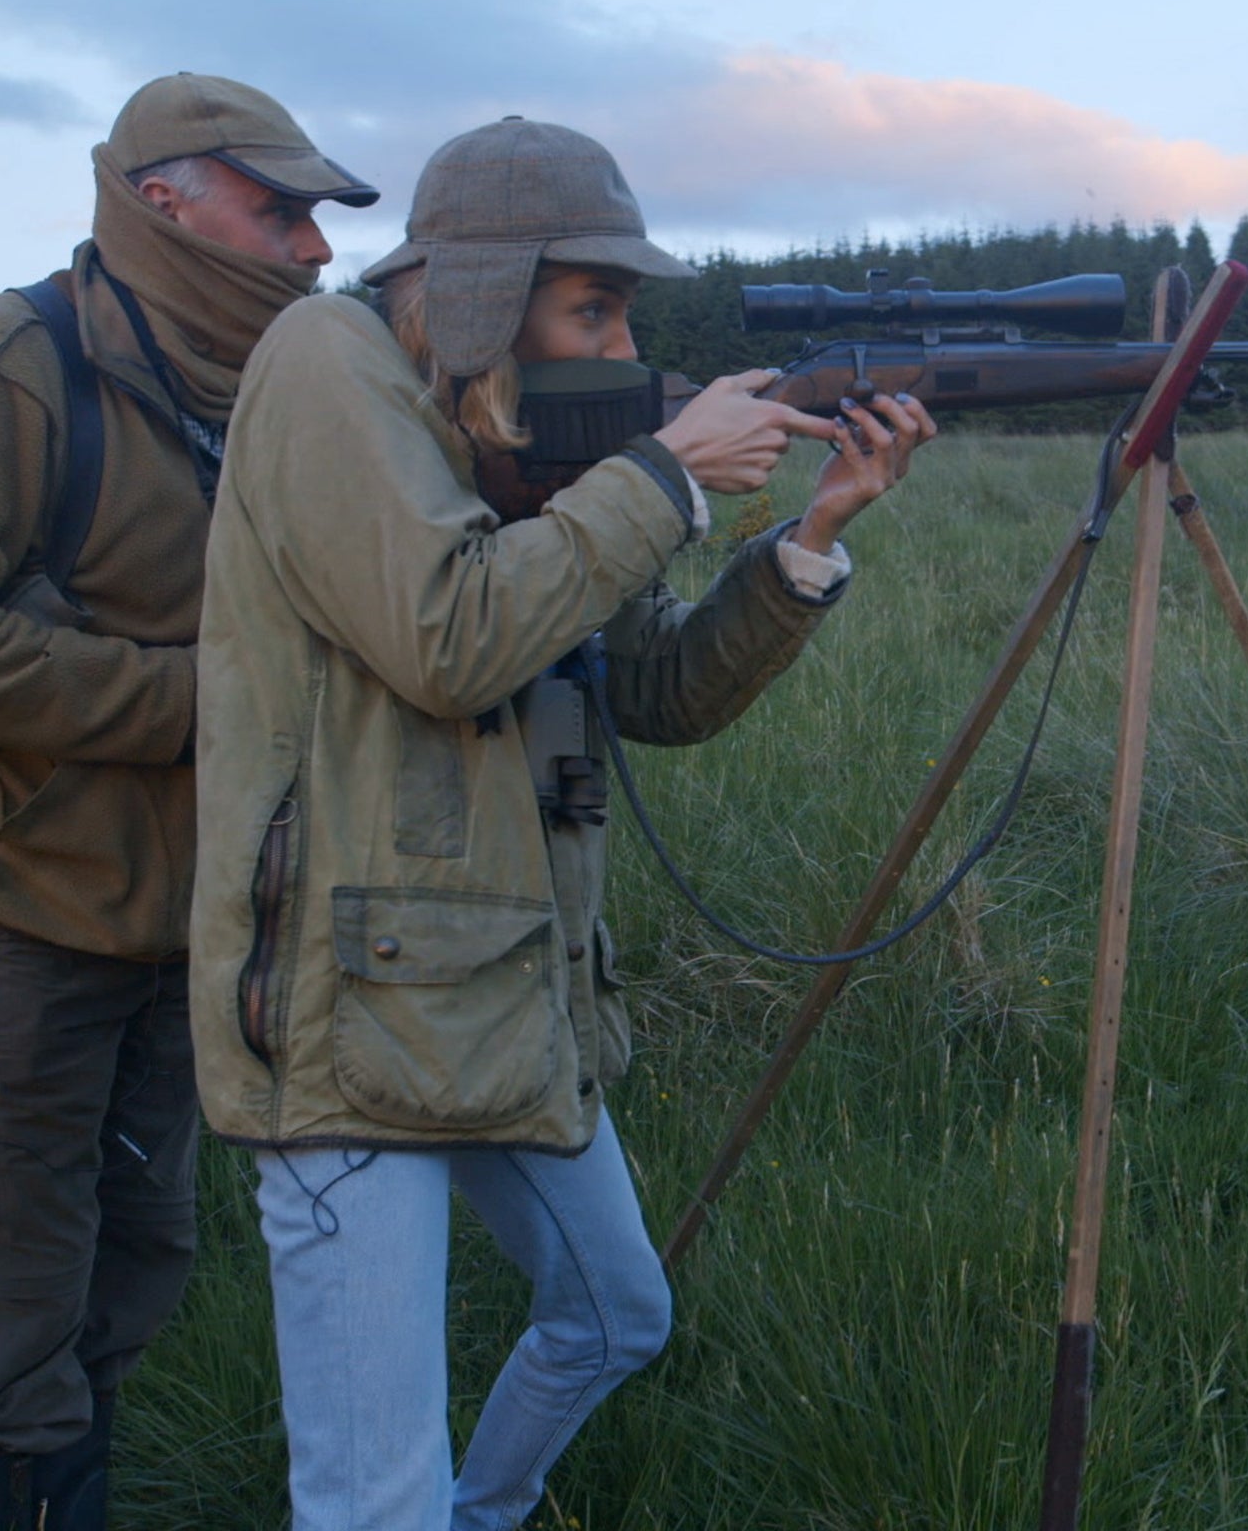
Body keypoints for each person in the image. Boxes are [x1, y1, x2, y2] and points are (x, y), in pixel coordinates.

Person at [189, 117, 935, 1530]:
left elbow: (652, 687)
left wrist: (815, 535)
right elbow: (454, 637)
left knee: (614, 1318)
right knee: (368, 1504)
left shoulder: (517, 447)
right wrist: (658, 476)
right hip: (350, 1017)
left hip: (491, 994)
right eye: (588, 308)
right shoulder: (326, 362)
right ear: (474, 293)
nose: (610, 347)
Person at [0, 74, 377, 1529]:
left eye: (318, 218)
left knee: (117, 1290)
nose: (313, 249)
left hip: (173, 935)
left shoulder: (269, 388)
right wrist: (194, 706)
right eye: (277, 208)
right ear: (157, 202)